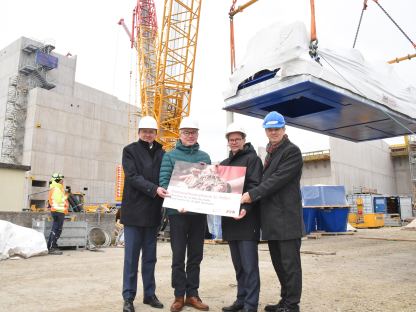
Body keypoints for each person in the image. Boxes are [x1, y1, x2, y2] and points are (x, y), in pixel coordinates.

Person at [241, 111, 304, 312]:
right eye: (270, 129)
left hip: (287, 219)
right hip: (273, 220)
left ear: (284, 129)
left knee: (290, 265)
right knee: (279, 264)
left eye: (277, 128)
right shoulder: (270, 153)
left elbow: (276, 180)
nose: (273, 132)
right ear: (265, 131)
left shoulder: (291, 151)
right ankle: (285, 300)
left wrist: (252, 194)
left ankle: (292, 305)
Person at [159, 116, 211, 312]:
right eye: (186, 132)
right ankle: (179, 296)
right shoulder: (170, 156)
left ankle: (193, 294)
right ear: (180, 134)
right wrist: (177, 201)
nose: (190, 135)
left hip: (198, 214)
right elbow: (164, 181)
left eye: (193, 132)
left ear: (197, 135)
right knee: (178, 255)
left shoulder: (205, 157)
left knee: (196, 255)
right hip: (177, 213)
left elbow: (209, 184)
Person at [120, 116, 168, 312]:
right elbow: (132, 177)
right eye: (144, 131)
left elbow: (169, 175)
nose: (148, 134)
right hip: (133, 212)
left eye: (151, 131)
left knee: (150, 257)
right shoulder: (129, 151)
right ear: (139, 132)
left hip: (152, 212)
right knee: (131, 258)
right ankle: (128, 297)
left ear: (156, 133)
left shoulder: (162, 153)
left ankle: (149, 294)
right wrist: (155, 189)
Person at [220, 123, 263, 312]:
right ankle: (241, 299)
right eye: (231, 139)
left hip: (247, 219)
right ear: (228, 142)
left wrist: (246, 207)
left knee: (249, 265)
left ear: (244, 140)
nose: (234, 142)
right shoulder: (224, 164)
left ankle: (251, 304)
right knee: (238, 264)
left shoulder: (253, 160)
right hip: (229, 219)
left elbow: (255, 186)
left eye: (238, 139)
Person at [47, 172, 68, 255]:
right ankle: (52, 247)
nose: (62, 181)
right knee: (57, 229)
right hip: (58, 211)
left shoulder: (56, 188)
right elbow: (59, 200)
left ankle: (52, 246)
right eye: (61, 179)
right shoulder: (56, 189)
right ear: (58, 180)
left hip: (58, 211)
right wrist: (66, 199)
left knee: (55, 229)